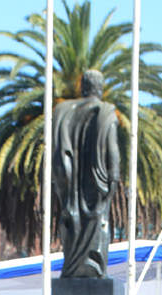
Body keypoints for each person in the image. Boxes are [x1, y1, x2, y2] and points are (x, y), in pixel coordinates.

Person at [52, 69, 121, 283]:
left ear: (83, 87)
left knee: (74, 222)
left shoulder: (65, 110)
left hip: (71, 184)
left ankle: (74, 265)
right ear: (99, 88)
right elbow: (112, 149)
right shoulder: (105, 112)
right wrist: (114, 175)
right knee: (98, 222)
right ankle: (93, 265)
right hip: (96, 183)